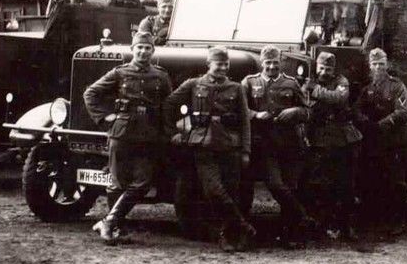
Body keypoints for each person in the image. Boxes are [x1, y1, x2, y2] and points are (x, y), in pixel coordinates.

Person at [82, 31, 173, 244]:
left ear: (153, 51)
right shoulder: (119, 73)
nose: (143, 52)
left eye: (147, 48)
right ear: (132, 49)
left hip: (149, 135)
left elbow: (168, 105)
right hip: (122, 132)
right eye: (139, 48)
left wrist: (168, 131)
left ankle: (107, 222)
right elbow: (90, 93)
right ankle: (116, 227)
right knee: (117, 183)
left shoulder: (161, 76)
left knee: (143, 182)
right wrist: (104, 117)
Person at [164, 46, 256, 251]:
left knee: (230, 191)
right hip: (203, 144)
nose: (222, 68)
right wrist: (177, 132)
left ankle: (227, 236)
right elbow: (170, 103)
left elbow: (245, 121)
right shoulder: (194, 84)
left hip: (230, 145)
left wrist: (246, 150)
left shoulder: (236, 88)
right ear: (208, 64)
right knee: (214, 190)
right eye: (218, 64)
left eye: (225, 64)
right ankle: (242, 225)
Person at [241, 46, 313, 248]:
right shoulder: (250, 82)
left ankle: (289, 234)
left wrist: (294, 111)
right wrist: (256, 114)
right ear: (262, 63)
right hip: (264, 145)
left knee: (290, 187)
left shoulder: (291, 83)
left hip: (289, 145)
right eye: (268, 63)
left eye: (275, 62)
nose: (272, 66)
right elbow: (240, 109)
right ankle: (303, 217)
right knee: (276, 184)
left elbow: (308, 112)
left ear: (280, 62)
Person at [353, 48, 407, 240]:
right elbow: (357, 109)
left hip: (395, 141)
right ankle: (378, 220)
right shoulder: (367, 89)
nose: (378, 67)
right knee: (376, 181)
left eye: (381, 64)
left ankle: (397, 222)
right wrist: (365, 121)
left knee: (397, 183)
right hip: (376, 142)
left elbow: (402, 111)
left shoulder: (397, 86)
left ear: (387, 65)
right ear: (370, 66)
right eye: (375, 64)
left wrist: (381, 124)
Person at [304, 51, 362, 242]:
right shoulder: (309, 82)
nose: (324, 72)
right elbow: (305, 103)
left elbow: (338, 98)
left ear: (333, 69)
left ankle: (347, 226)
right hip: (320, 139)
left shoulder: (341, 81)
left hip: (343, 139)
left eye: (328, 69)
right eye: (321, 68)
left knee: (346, 185)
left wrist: (316, 91)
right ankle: (323, 224)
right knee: (320, 185)